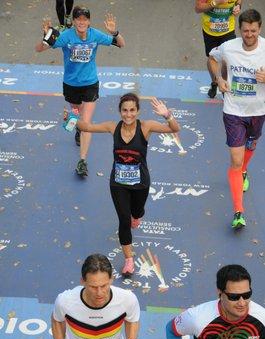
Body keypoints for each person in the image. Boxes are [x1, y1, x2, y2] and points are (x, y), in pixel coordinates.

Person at [64, 93, 181, 276]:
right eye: (125, 110)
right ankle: (129, 260)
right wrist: (70, 119)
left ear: (138, 111)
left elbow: (174, 129)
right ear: (120, 111)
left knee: (136, 212)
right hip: (118, 183)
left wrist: (167, 115)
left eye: (132, 110)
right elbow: (86, 126)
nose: (128, 114)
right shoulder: (113, 127)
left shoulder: (146, 126)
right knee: (124, 220)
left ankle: (138, 214)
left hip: (141, 183)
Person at [35, 5, 125, 178]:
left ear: (89, 21)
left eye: (85, 19)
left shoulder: (95, 34)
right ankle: (76, 127)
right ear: (74, 21)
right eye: (78, 19)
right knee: (76, 112)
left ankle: (82, 161)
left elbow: (121, 44)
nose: (82, 22)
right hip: (71, 84)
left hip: (90, 83)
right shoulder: (65, 36)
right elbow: (39, 49)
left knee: (86, 122)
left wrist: (114, 33)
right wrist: (46, 37)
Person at [208, 9, 265, 229]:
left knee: (251, 144)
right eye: (245, 31)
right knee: (235, 159)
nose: (249, 35)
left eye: (253, 30)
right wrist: (219, 78)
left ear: (259, 29)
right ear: (239, 29)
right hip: (233, 111)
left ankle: (243, 170)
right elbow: (212, 58)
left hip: (258, 111)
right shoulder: (228, 47)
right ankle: (238, 212)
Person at [195, 0, 242, 98]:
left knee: (228, 60)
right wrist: (215, 3)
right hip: (210, 32)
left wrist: (238, 7)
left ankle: (225, 86)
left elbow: (238, 1)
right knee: (212, 59)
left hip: (228, 30)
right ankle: (214, 83)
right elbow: (198, 8)